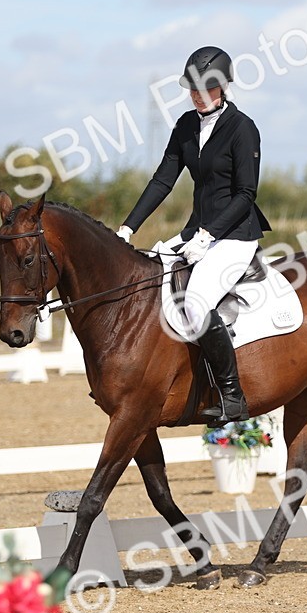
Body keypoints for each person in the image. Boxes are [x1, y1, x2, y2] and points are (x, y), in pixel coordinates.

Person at [116, 46, 270, 422]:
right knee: (150, 280)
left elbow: (246, 194)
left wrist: (209, 235)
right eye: (193, 89)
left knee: (197, 302)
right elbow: (162, 181)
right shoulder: (185, 126)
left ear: (223, 87)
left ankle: (232, 396)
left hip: (235, 234)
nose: (197, 95)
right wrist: (126, 227)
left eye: (205, 88)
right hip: (196, 231)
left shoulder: (243, 128)